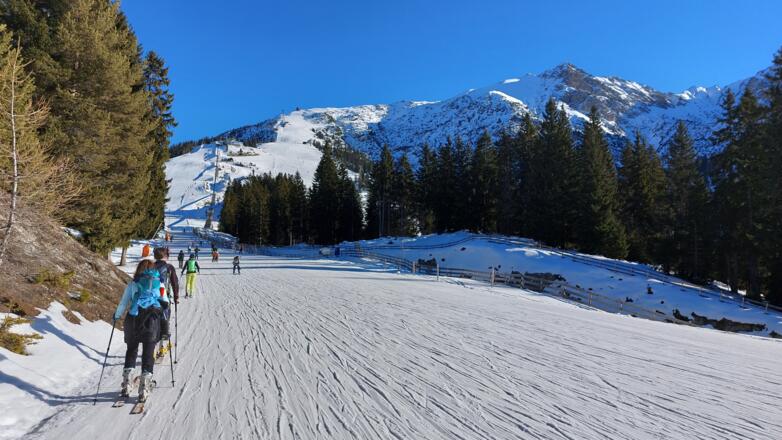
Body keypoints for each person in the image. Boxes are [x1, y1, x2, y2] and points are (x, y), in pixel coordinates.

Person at [114, 258, 163, 402]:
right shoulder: (158, 283)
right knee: (148, 354)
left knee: (131, 350)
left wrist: (116, 316)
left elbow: (123, 303)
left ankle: (126, 384)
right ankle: (144, 388)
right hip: (151, 321)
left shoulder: (133, 283)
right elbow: (165, 302)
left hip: (133, 319)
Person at [153, 247, 179, 360]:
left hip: (150, 299)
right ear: (165, 256)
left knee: (153, 322)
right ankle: (161, 348)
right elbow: (175, 283)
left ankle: (151, 347)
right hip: (165, 299)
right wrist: (176, 297)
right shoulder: (169, 267)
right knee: (164, 321)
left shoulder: (150, 266)